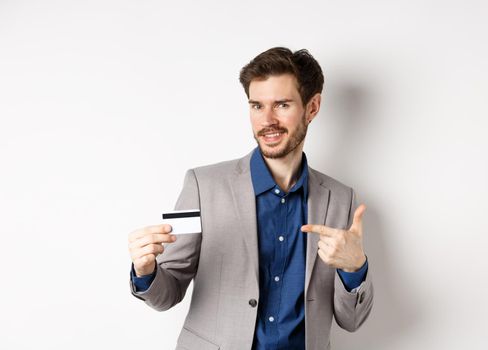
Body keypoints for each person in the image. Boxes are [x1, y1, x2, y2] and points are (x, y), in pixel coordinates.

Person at [128, 47, 374, 350]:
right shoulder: (200, 186)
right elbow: (167, 293)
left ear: (312, 107)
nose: (266, 120)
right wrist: (146, 271)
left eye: (282, 105)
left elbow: (352, 321)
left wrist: (354, 267)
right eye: (257, 106)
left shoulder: (341, 199)